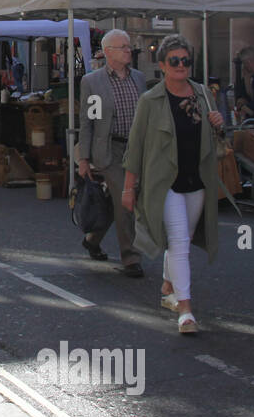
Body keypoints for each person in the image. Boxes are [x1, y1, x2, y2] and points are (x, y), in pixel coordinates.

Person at [121, 35, 223, 333]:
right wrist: (129, 187)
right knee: (178, 241)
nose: (181, 66)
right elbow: (135, 146)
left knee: (185, 239)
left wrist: (218, 123)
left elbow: (216, 140)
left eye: (186, 60)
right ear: (163, 65)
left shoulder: (203, 94)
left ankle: (168, 286)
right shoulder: (151, 100)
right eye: (175, 61)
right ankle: (185, 310)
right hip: (165, 182)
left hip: (198, 179)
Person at [76, 29, 149, 276]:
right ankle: (131, 258)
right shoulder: (92, 82)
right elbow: (88, 122)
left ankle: (93, 239)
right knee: (126, 199)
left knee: (114, 202)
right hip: (109, 150)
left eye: (129, 46)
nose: (129, 50)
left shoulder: (139, 78)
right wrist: (83, 159)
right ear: (108, 52)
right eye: (123, 47)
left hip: (136, 148)